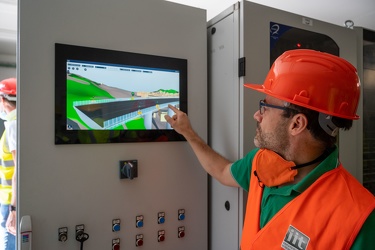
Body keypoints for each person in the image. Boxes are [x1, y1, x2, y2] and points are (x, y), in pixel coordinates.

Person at [164, 49, 375, 249]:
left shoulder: (359, 217)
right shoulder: (261, 163)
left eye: (265, 107)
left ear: (296, 124)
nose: (257, 115)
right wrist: (188, 133)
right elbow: (221, 171)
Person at [0, 78, 16, 250]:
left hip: (11, 199)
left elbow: (18, 169)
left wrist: (13, 208)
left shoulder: (14, 125)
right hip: (10, 197)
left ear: (2, 100)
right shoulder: (23, 121)